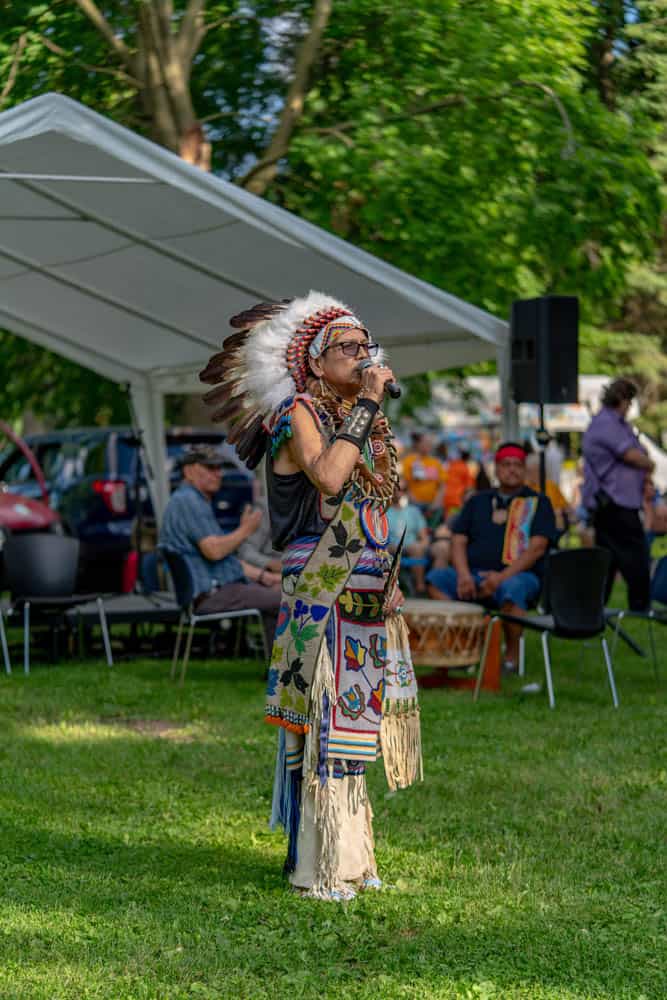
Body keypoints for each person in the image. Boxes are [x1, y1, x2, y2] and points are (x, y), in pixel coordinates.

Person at [199, 292, 422, 900]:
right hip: (318, 583)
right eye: (349, 348)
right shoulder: (297, 412)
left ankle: (352, 855)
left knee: (355, 715)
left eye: (365, 348)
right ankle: (314, 865)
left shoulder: (363, 419)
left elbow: (372, 500)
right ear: (317, 363)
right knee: (323, 718)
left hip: (364, 581)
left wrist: (387, 573)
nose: (363, 357)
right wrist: (370, 401)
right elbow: (326, 476)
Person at [426, 442, 556, 671]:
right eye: (506, 464)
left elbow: (537, 547)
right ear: (496, 468)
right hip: (473, 575)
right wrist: (464, 576)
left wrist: (501, 577)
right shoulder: (477, 500)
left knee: (513, 588)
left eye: (517, 465)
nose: (512, 470)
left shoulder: (538, 503)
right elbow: (458, 539)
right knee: (436, 579)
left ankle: (511, 657)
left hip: (519, 576)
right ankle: (466, 643)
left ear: (524, 469)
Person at [159, 445, 281, 651]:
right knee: (286, 599)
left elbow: (225, 559)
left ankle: (275, 669)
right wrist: (245, 530)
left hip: (218, 589)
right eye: (209, 468)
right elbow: (214, 551)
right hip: (211, 594)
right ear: (189, 471)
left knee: (279, 592)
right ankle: (282, 672)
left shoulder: (193, 500)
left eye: (218, 468)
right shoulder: (188, 501)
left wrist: (264, 577)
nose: (218, 473)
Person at [582, 378, 654, 609]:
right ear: (622, 399)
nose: (630, 407)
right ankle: (640, 605)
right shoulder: (606, 423)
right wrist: (649, 464)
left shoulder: (617, 424)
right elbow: (631, 455)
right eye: (629, 401)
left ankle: (596, 605)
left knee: (609, 557)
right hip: (614, 503)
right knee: (635, 555)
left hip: (619, 502)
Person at [386, 479, 431, 594]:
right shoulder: (385, 511)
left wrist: (422, 546)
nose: (399, 492)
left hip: (411, 547)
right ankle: (389, 588)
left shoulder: (413, 511)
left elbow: (424, 537)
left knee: (416, 548)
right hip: (391, 547)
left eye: (403, 489)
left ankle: (420, 587)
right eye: (396, 489)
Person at [402, 432, 447, 519]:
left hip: (433, 506)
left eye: (429, 443)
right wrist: (413, 500)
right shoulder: (409, 461)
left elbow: (442, 486)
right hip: (414, 505)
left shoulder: (436, 463)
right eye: (424, 442)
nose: (427, 445)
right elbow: (406, 484)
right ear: (418, 444)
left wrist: (435, 504)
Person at [442, 448, 475, 518]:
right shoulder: (465, 468)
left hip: (444, 498)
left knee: (446, 519)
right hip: (456, 500)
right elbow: (469, 487)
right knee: (452, 521)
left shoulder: (450, 465)